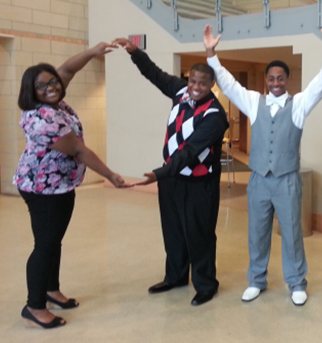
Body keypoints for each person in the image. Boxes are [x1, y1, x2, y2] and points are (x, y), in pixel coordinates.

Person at [203, 18, 322, 306]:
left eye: (281, 78)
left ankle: (297, 283)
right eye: (271, 78)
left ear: (287, 80)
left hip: (287, 180)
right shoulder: (253, 102)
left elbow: (321, 83)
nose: (276, 82)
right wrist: (212, 56)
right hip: (259, 179)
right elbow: (228, 84)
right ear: (266, 80)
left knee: (292, 234)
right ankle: (257, 280)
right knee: (257, 234)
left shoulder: (299, 104)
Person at [14, 42, 130, 329]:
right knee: (46, 244)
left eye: (53, 81)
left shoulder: (53, 100)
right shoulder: (42, 118)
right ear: (32, 91)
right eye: (43, 85)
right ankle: (34, 305)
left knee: (54, 240)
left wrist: (93, 52)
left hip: (60, 184)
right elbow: (79, 151)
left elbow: (66, 68)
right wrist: (111, 175)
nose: (52, 86)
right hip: (42, 188)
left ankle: (51, 290)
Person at [113, 37, 229, 306]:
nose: (195, 87)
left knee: (199, 234)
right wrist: (135, 52)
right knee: (174, 230)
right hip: (172, 180)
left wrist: (158, 173)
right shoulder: (180, 92)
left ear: (211, 85)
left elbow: (190, 152)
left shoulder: (215, 115)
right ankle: (175, 276)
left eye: (202, 83)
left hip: (200, 183)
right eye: (192, 81)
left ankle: (205, 284)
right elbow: (154, 74)